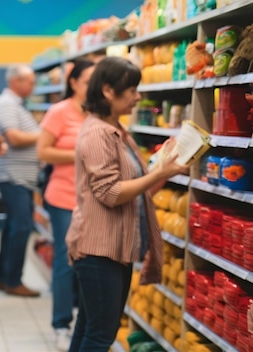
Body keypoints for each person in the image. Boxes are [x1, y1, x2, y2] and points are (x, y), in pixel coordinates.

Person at [65, 57, 188, 352]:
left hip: (116, 248)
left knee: (89, 327)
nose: (137, 97)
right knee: (100, 335)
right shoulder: (98, 133)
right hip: (98, 249)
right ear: (108, 90)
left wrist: (165, 167)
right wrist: (158, 173)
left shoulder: (117, 130)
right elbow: (110, 193)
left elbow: (137, 191)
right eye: (131, 89)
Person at [36, 58, 95, 351]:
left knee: (89, 263)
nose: (94, 87)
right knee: (65, 260)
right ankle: (61, 324)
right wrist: (80, 154)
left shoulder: (98, 112)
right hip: (63, 197)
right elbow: (43, 152)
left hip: (95, 200)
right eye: (88, 81)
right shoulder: (59, 112)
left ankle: (84, 322)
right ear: (73, 82)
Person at [0, 64, 41, 297]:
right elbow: (14, 138)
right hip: (14, 176)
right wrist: (46, 135)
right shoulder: (7, 104)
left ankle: (5, 277)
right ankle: (13, 280)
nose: (33, 86)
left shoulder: (15, 104)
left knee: (12, 226)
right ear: (16, 81)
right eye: (30, 81)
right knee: (21, 227)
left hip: (20, 177)